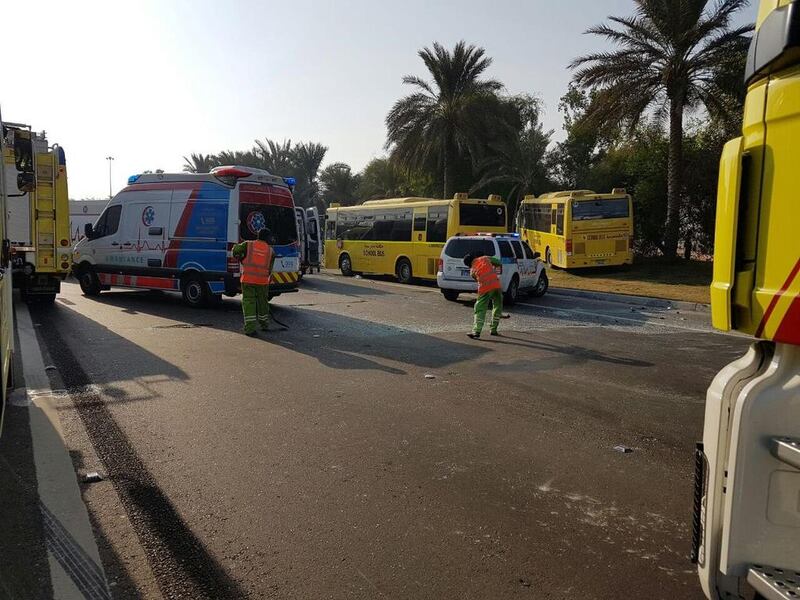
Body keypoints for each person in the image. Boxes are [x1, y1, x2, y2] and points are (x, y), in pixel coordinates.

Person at [232, 228, 275, 336]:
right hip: (262, 282)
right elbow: (270, 269)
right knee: (262, 303)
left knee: (249, 303)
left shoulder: (248, 245)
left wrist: (241, 258)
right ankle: (264, 324)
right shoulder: (270, 251)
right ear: (267, 238)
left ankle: (250, 329)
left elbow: (235, 251)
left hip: (248, 280)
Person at [464, 252, 503, 339]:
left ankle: (476, 331)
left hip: (485, 288)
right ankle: (493, 329)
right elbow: (499, 262)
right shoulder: (485, 258)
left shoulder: (472, 271)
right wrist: (493, 268)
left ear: (468, 265)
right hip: (496, 285)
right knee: (497, 306)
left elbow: (478, 279)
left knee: (480, 309)